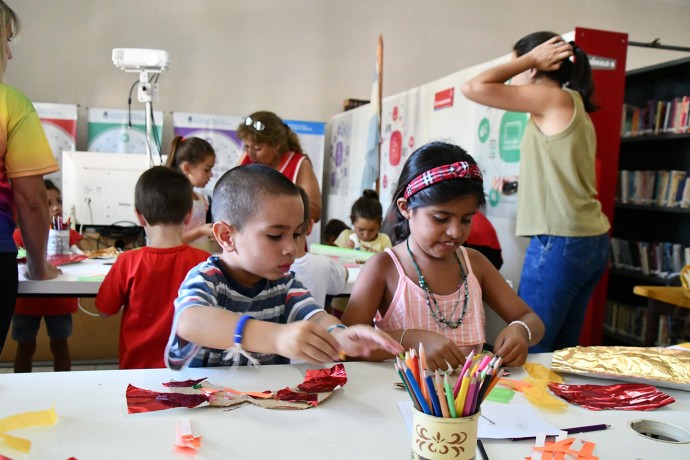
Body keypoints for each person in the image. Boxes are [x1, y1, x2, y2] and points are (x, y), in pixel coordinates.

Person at [164, 164, 403, 369]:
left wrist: (339, 335)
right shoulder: (206, 279)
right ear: (227, 236)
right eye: (275, 235)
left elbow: (316, 317)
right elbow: (190, 322)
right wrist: (275, 337)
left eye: (297, 233)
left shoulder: (284, 283)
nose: (291, 247)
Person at [461, 31, 610, 352]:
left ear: (534, 67)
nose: (514, 72)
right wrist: (521, 181)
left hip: (561, 241)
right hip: (590, 240)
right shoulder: (573, 103)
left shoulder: (551, 97)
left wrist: (528, 58)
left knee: (530, 347)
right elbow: (565, 172)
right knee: (560, 354)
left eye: (519, 63)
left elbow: (472, 87)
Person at [341, 142, 544, 370]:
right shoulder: (384, 268)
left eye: (466, 219)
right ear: (406, 207)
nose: (456, 232)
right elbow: (346, 345)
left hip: (470, 403)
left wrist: (521, 330)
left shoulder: (474, 264)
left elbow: (531, 319)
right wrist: (410, 341)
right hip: (398, 400)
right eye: (440, 218)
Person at [96, 166, 210, 369]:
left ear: (139, 216)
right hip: (190, 371)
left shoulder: (127, 262)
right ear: (188, 215)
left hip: (137, 370)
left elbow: (105, 310)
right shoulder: (205, 263)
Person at [0, 1, 60, 354]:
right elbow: (32, 200)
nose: (9, 53)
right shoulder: (11, 104)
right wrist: (39, 267)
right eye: (5, 41)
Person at [11, 180, 83, 372]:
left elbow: (83, 259)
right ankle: (22, 390)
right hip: (27, 302)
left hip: (58, 300)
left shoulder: (69, 234)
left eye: (58, 201)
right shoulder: (19, 235)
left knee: (60, 347)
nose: (56, 207)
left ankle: (63, 390)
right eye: (49, 203)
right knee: (25, 347)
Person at [237, 111, 322, 223]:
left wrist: (276, 204)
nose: (250, 153)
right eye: (247, 146)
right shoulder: (246, 160)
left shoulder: (298, 164)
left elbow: (315, 212)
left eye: (257, 148)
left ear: (277, 144)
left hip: (285, 238)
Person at [291, 186, 348, 307]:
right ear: (310, 225)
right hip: (316, 325)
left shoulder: (263, 270)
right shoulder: (324, 264)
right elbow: (344, 275)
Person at [165, 135, 216, 252]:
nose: (211, 175)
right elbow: (171, 241)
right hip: (183, 264)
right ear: (187, 168)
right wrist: (201, 231)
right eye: (206, 169)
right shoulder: (173, 199)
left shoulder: (202, 199)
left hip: (199, 263)